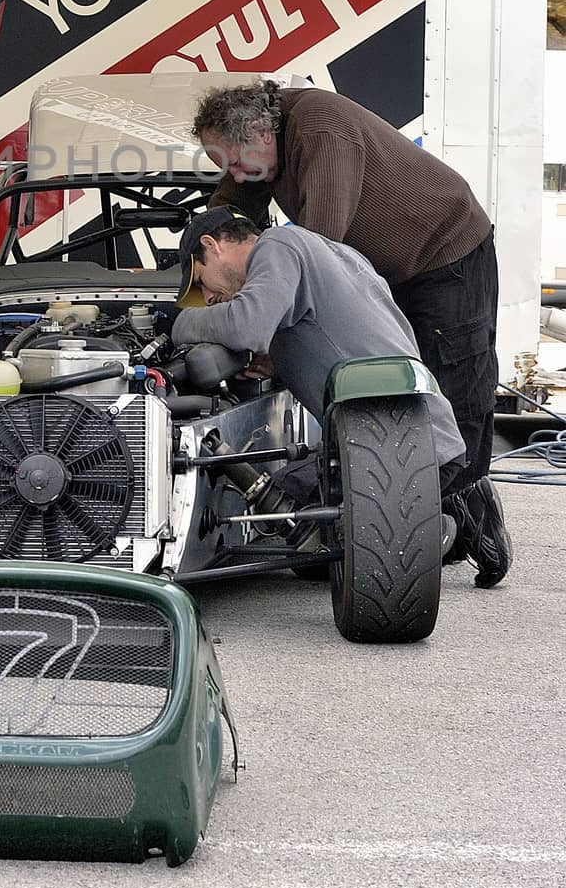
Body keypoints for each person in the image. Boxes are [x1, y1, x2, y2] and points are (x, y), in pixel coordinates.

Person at [189, 79, 511, 587]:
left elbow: (320, 244)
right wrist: (189, 270)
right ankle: (428, 516)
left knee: (455, 381)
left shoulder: (321, 126)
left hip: (446, 248)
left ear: (258, 129)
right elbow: (225, 218)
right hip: (393, 267)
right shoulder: (258, 150)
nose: (233, 174)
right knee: (397, 390)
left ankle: (471, 518)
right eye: (223, 165)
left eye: (233, 161)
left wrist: (259, 322)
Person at [173, 207, 467, 524]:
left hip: (398, 453)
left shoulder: (276, 245)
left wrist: (182, 323)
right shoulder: (334, 252)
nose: (207, 299)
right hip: (427, 442)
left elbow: (247, 327)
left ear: (211, 244)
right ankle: (453, 506)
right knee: (315, 550)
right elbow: (338, 333)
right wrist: (280, 361)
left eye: (200, 282)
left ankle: (454, 523)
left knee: (283, 513)